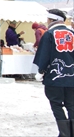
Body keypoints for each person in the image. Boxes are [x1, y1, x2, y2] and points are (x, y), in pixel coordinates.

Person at [33, 9, 73, 137]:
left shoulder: (49, 34)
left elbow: (44, 55)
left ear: (52, 20)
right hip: (72, 77)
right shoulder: (72, 33)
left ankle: (65, 134)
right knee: (72, 105)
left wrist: (40, 71)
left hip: (55, 77)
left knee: (56, 105)